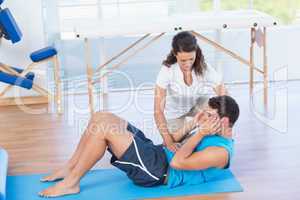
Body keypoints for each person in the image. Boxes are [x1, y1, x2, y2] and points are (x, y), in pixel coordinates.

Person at [39, 95, 239, 198]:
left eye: (210, 116)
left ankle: (71, 183)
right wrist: (193, 125)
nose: (205, 118)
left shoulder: (220, 153)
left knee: (103, 129)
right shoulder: (208, 129)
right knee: (101, 116)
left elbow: (178, 163)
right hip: (157, 153)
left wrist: (200, 133)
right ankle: (70, 167)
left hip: (157, 171)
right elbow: (171, 141)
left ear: (224, 122)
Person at [155, 31, 227, 152]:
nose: (188, 64)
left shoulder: (203, 66)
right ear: (175, 54)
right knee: (175, 142)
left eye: (191, 59)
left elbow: (223, 93)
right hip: (176, 114)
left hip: (198, 106)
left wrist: (223, 117)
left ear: (195, 53)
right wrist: (169, 143)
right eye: (183, 60)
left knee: (215, 125)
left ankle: (198, 126)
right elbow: (158, 111)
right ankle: (194, 125)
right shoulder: (167, 70)